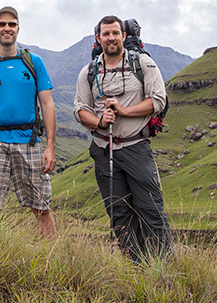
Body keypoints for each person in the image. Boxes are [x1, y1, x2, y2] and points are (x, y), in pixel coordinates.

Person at [73, 15, 171, 261]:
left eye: (115, 33)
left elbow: (158, 100)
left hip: (136, 147)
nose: (111, 38)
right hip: (103, 148)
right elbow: (79, 109)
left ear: (124, 36)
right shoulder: (89, 71)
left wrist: (124, 111)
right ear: (98, 38)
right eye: (106, 34)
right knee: (119, 214)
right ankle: (134, 265)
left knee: (151, 210)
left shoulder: (144, 64)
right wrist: (99, 122)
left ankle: (163, 268)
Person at [0, 6, 57, 238]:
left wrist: (50, 146)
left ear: (18, 29)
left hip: (30, 141)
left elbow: (47, 104)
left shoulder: (33, 62)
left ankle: (55, 257)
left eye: (12, 24)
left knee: (41, 206)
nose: (7, 28)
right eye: (1, 24)